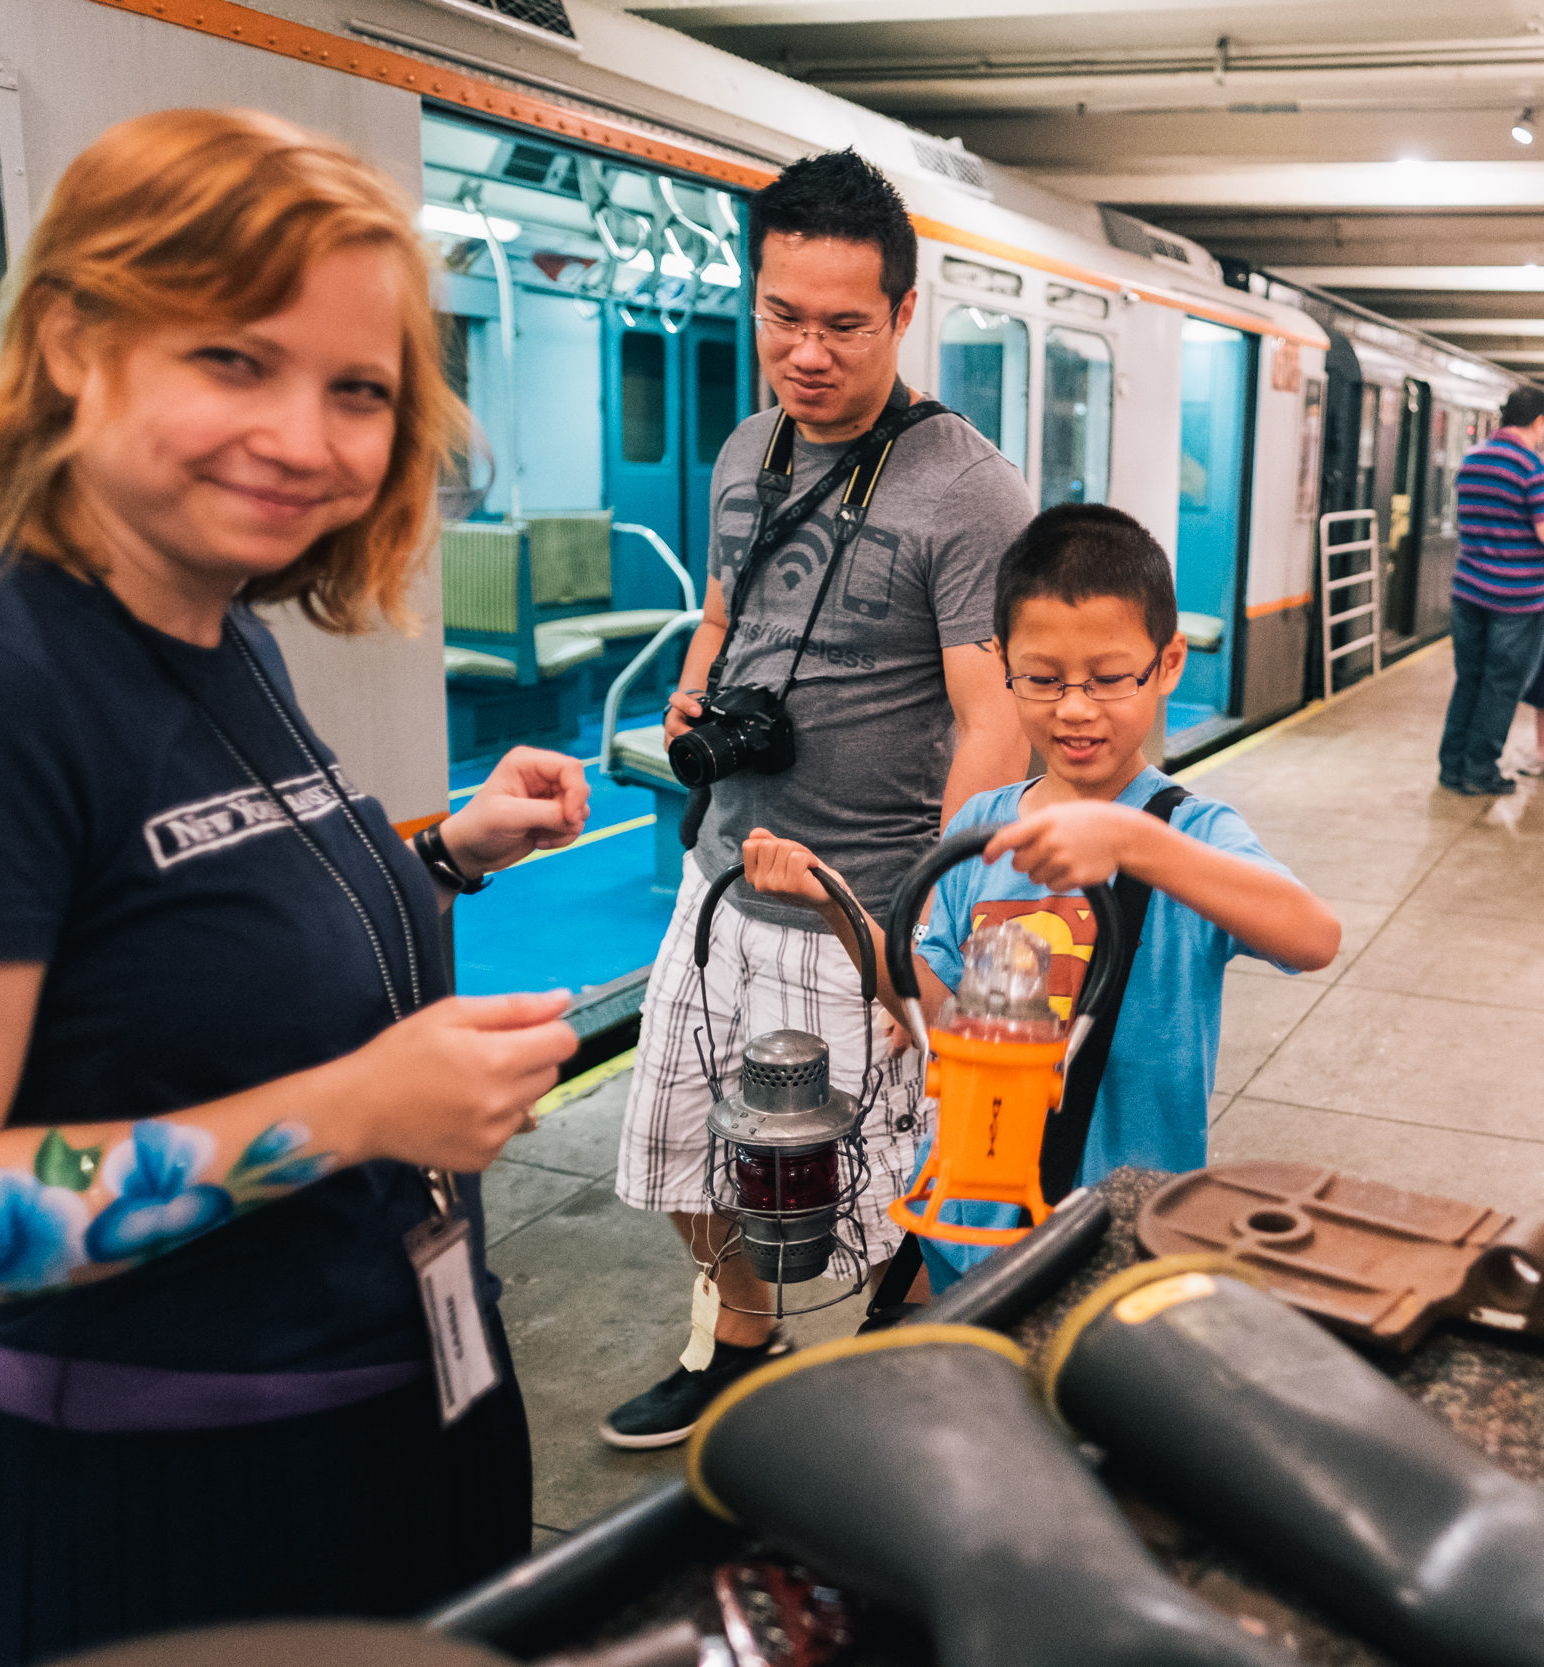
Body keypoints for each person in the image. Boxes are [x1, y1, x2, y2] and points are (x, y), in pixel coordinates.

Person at [0, 108, 588, 1666]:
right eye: (234, 358)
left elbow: (169, 944)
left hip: (393, 1417)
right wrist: (353, 1108)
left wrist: (439, 855)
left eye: (359, 389)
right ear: (75, 339)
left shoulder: (219, 625)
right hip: (151, 1509)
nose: (308, 437)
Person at [604, 147, 1034, 1450]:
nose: (805, 351)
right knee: (678, 1149)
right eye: (782, 314)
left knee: (868, 1200)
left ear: (904, 315)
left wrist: (922, 929)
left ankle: (872, 1406)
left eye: (842, 323)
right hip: (723, 873)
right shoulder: (749, 448)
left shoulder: (968, 487)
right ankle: (741, 1335)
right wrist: (693, 688)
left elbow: (992, 716)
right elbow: (729, 607)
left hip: (858, 906)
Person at [740, 504, 1341, 1291]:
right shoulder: (981, 826)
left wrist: (1134, 844)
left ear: (1167, 665)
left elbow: (1312, 937)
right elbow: (937, 1019)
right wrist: (841, 911)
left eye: (1108, 677)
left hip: (1120, 1239)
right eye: (1043, 679)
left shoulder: (1190, 834)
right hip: (967, 1227)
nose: (1075, 708)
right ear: (1002, 664)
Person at [1438, 387, 1544, 797]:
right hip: (1515, 599)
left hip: (1469, 592)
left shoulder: (1473, 459)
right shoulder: (1531, 468)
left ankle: (1452, 767)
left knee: (1469, 680)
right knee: (1501, 686)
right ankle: (1479, 770)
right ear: (1537, 421)